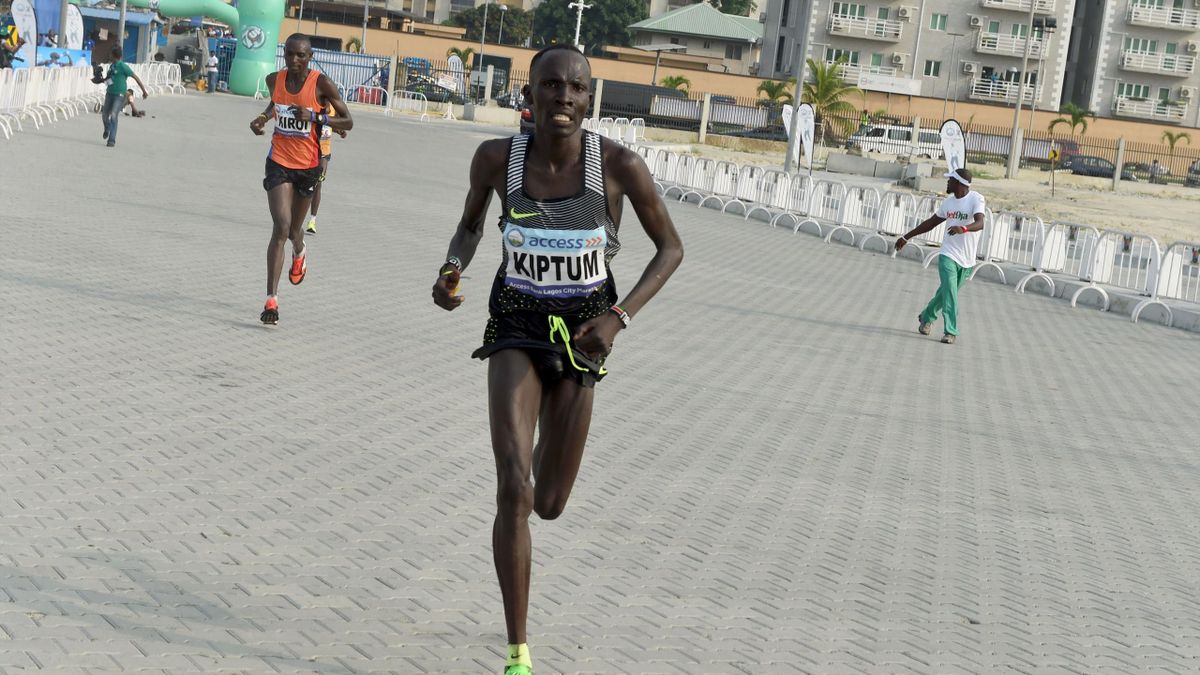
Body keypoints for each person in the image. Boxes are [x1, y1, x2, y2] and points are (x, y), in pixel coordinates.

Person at [431, 44, 684, 675]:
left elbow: (671, 249)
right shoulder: (497, 159)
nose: (563, 98)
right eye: (551, 86)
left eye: (575, 89)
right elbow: (469, 226)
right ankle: (519, 651)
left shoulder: (619, 166)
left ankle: (546, 434)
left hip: (583, 340)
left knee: (548, 502)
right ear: (532, 93)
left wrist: (619, 318)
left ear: (588, 99)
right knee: (513, 489)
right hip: (515, 327)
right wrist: (450, 268)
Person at [249, 33, 352, 325]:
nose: (294, 60)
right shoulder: (274, 80)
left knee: (294, 231)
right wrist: (262, 118)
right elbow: (276, 104)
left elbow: (348, 121)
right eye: (290, 54)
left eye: (301, 56)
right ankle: (272, 300)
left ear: (310, 56)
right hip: (279, 161)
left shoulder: (322, 84)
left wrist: (316, 118)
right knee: (280, 228)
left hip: (308, 166)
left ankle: (300, 250)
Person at [895, 167, 986, 345]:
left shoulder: (976, 198)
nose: (947, 182)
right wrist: (907, 236)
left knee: (945, 293)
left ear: (959, 183)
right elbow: (930, 223)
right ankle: (950, 331)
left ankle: (927, 315)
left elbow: (980, 222)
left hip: (967, 260)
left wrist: (964, 228)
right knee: (950, 293)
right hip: (948, 254)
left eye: (950, 179)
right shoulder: (948, 203)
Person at [305, 106, 347, 235]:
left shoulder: (335, 108)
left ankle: (312, 220)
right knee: (306, 184)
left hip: (324, 151)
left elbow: (332, 125)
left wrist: (340, 131)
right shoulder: (316, 105)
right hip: (309, 150)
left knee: (318, 183)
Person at [100, 46, 148, 148]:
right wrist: (100, 80)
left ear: (114, 56)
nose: (109, 56)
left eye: (110, 54)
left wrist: (144, 91)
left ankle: (111, 140)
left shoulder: (123, 66)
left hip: (119, 95)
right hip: (109, 93)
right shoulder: (112, 66)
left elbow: (136, 78)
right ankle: (107, 128)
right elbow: (109, 80)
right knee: (104, 115)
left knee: (113, 115)